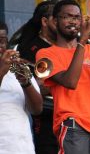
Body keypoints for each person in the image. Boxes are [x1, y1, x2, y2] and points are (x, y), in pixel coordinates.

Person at [36, 0, 90, 154]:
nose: (73, 21)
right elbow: (70, 81)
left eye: (77, 17)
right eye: (67, 17)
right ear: (55, 21)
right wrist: (83, 41)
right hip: (74, 126)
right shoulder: (46, 54)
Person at [10, 0, 59, 154]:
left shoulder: (68, 42)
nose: (64, 21)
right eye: (57, 18)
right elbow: (26, 85)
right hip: (46, 118)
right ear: (44, 21)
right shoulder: (29, 47)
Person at [0, 21, 43, 153]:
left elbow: (36, 109)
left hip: (21, 148)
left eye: (2, 40)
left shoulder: (17, 68)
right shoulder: (5, 68)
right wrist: (2, 71)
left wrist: (26, 82)